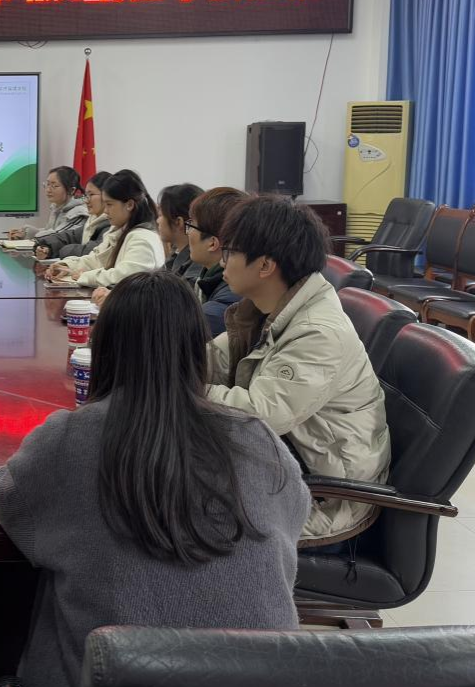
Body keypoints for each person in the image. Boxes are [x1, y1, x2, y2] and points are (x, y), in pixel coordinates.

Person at [0, 271, 309, 687]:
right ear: (197, 351)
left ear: (104, 347)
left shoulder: (68, 438)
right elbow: (294, 517)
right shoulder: (257, 436)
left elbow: (13, 504)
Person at [207, 194, 390, 545]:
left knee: (172, 508)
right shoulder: (267, 310)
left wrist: (183, 389)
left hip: (324, 497)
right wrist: (160, 365)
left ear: (265, 266)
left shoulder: (317, 332)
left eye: (229, 251)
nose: (221, 260)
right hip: (283, 462)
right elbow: (213, 359)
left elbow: (261, 415)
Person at [46, 170, 163, 289]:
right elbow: (97, 259)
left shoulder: (142, 237)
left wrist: (85, 276)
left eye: (109, 204)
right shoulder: (119, 230)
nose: (106, 211)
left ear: (129, 205)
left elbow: (125, 277)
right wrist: (67, 266)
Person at [186, 186, 248, 336]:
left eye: (191, 225)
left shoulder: (225, 305)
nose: (187, 232)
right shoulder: (207, 280)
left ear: (212, 243)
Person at [34, 171, 111, 260]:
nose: (86, 200)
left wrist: (62, 250)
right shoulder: (93, 221)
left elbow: (90, 252)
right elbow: (69, 236)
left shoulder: (110, 224)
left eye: (91, 194)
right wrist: (47, 247)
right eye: (86, 195)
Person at [9, 166, 87, 242]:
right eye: (47, 184)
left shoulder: (79, 213)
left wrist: (32, 237)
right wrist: (25, 234)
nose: (48, 190)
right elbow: (48, 231)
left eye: (54, 186)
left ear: (71, 190)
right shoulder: (56, 208)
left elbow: (58, 236)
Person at [158, 183, 204, 283]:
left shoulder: (194, 272)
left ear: (178, 222)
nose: (157, 221)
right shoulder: (176, 256)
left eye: (161, 215)